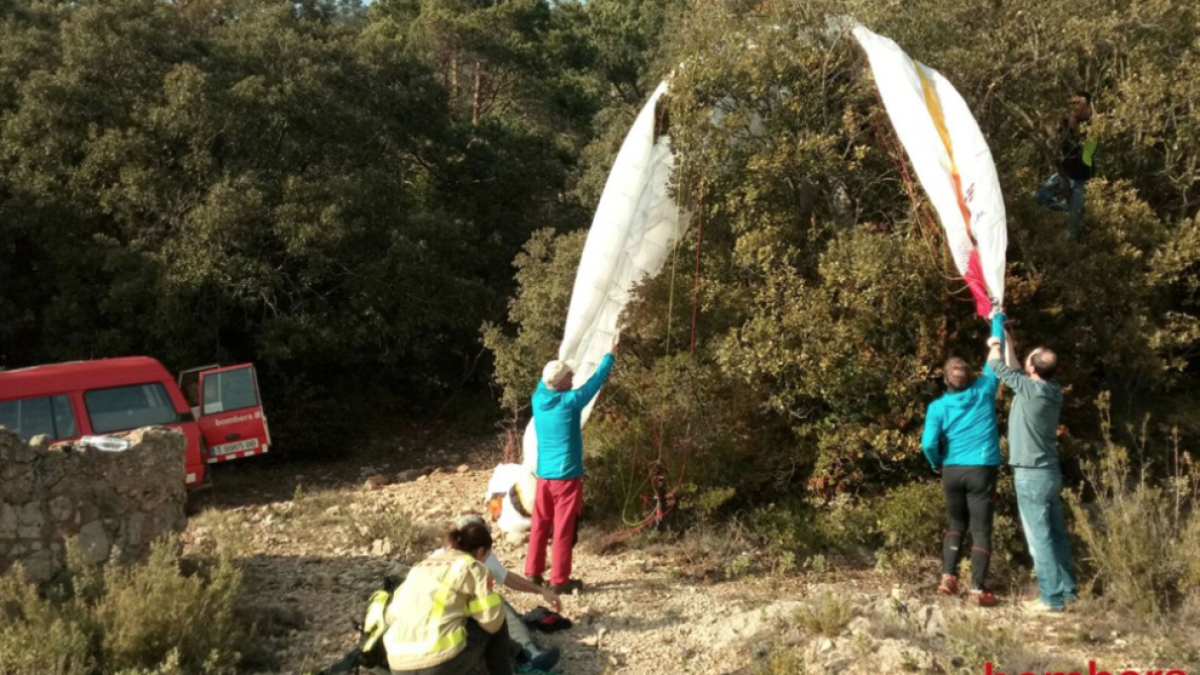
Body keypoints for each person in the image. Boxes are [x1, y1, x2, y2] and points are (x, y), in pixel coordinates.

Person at [987, 323, 1077, 613]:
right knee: (1056, 534)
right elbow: (1017, 370)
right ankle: (1068, 591)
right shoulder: (1052, 389)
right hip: (1050, 473)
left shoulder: (1030, 390)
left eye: (1030, 359)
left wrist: (994, 343)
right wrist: (1009, 339)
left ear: (1034, 369)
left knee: (1040, 539)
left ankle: (1051, 599)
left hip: (1030, 474)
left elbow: (997, 366)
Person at [920, 311, 1006, 607]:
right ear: (973, 377)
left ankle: (948, 577)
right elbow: (996, 351)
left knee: (956, 522)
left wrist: (936, 463)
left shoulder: (938, 407)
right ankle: (978, 590)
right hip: (981, 469)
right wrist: (998, 320)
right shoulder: (985, 389)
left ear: (946, 380)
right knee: (981, 528)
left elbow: (928, 443)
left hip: (952, 469)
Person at [525, 337, 618, 594]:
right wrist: (609, 355)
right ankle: (559, 580)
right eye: (569, 375)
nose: (573, 377)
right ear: (562, 382)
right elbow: (596, 382)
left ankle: (532, 573)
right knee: (563, 528)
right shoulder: (571, 402)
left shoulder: (539, 398)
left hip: (544, 476)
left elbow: (547, 381)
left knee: (540, 524)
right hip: (567, 478)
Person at [382, 522, 510, 675]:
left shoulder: (421, 567)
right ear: (482, 551)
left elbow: (390, 615)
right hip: (438, 663)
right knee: (498, 616)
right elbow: (491, 622)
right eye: (487, 556)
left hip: (398, 663)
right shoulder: (472, 567)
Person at [453, 514, 563, 671]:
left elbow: (505, 577)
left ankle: (528, 654)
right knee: (498, 613)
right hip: (454, 630)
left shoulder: (439, 558)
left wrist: (540, 590)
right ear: (480, 549)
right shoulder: (472, 562)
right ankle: (527, 656)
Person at [1034, 90, 1097, 240]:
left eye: (1079, 104)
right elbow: (1055, 143)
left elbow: (1084, 148)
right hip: (1064, 173)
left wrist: (1073, 128)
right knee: (1039, 199)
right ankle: (1066, 209)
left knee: (1074, 226)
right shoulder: (1064, 122)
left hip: (1081, 177)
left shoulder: (1092, 125)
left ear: (1087, 106)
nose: (1075, 107)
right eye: (1073, 103)